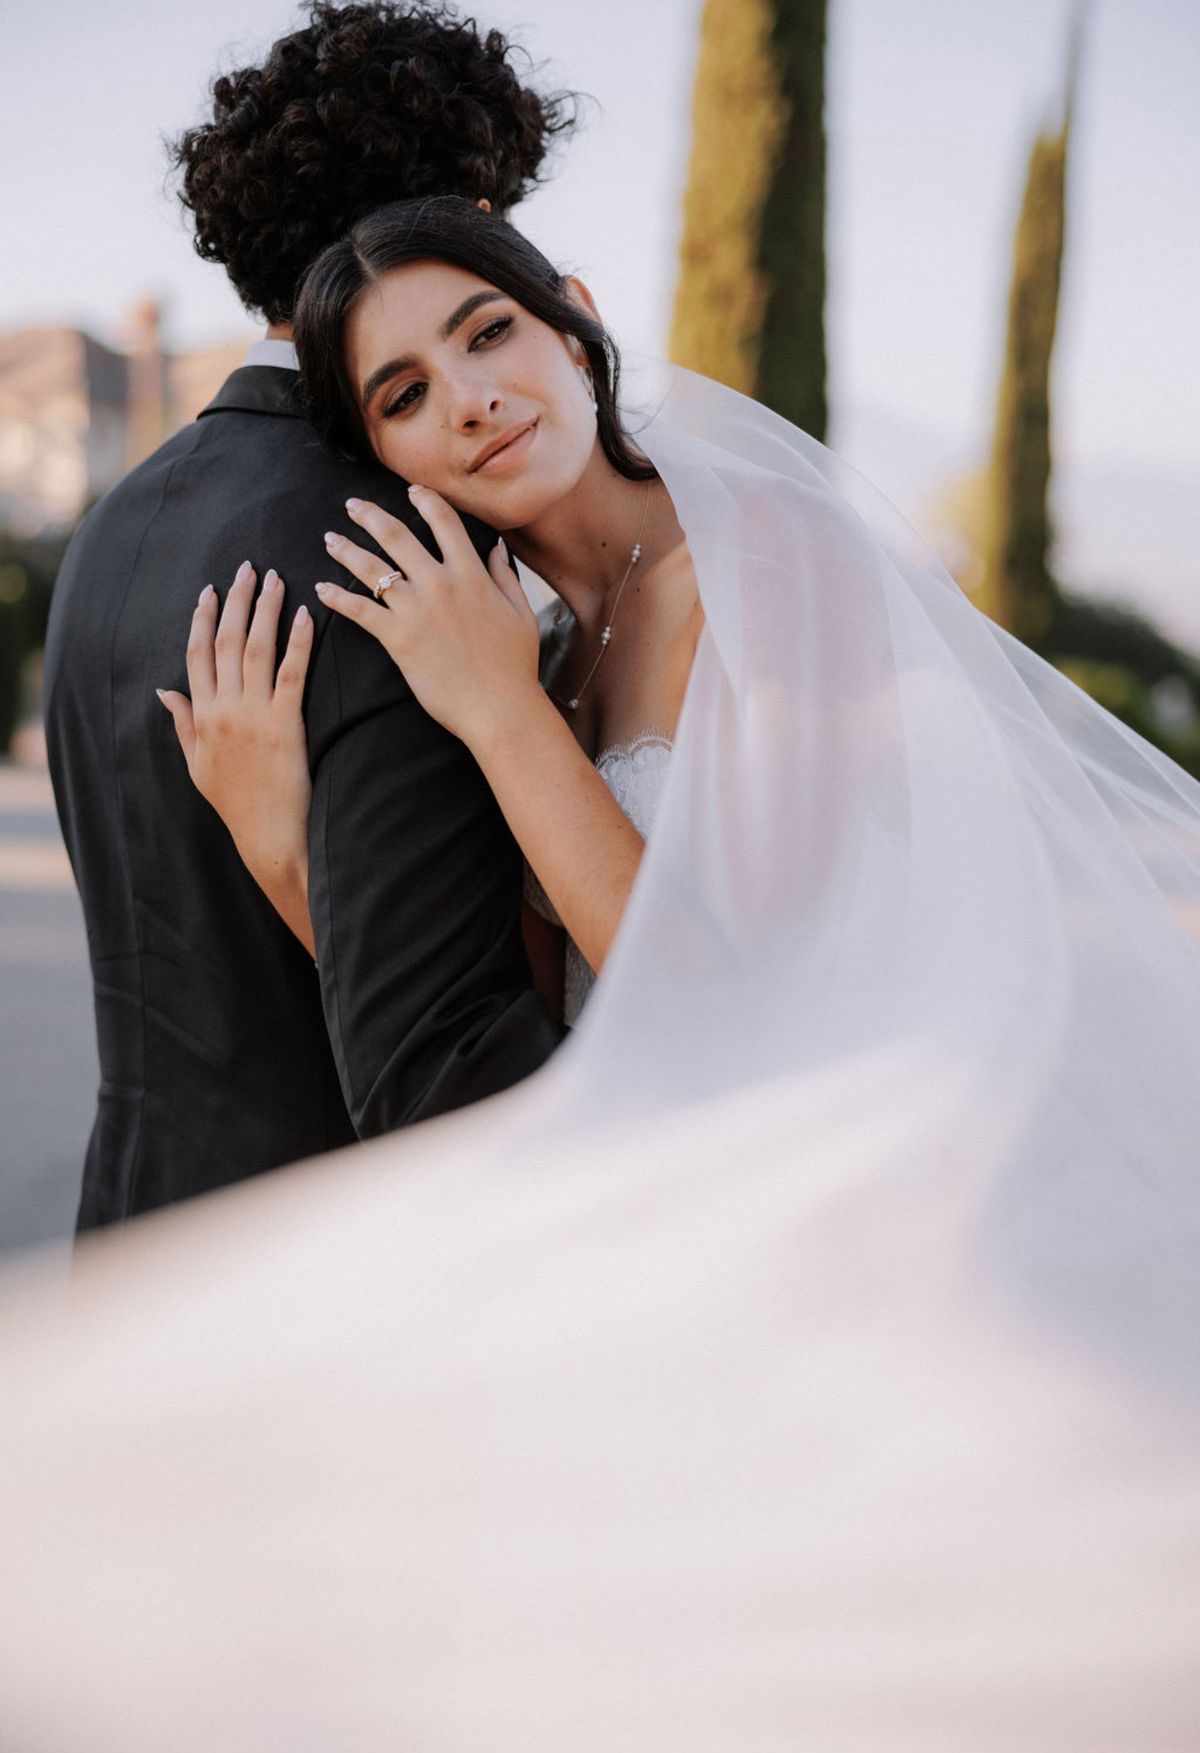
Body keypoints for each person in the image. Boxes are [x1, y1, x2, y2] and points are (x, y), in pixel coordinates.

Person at [6, 199, 1198, 1744]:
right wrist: (282, 838)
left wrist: (497, 716)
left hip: (843, 1254)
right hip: (682, 1253)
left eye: (488, 334)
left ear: (572, 319)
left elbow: (714, 1003)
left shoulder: (776, 567)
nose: (471, 399)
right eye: (405, 395)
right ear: (386, 460)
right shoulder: (547, 639)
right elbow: (527, 1006)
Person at [44, 8, 572, 1231]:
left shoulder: (110, 532)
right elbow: (455, 1070)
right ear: (454, 225)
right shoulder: (402, 548)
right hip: (336, 1287)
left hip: (130, 1233)